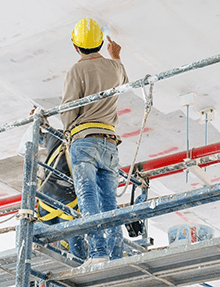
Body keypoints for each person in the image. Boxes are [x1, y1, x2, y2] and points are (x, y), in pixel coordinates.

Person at [60, 17, 128, 266]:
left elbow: (68, 110)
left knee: (87, 195)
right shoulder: (114, 67)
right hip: (110, 141)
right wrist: (116, 56)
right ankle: (116, 255)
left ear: (75, 46)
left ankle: (98, 253)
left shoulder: (76, 70)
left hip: (84, 139)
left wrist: (69, 134)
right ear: (100, 43)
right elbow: (123, 82)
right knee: (110, 201)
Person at [35, 129, 87, 261]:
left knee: (42, 237)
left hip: (47, 197)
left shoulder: (54, 137)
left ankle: (40, 260)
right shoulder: (80, 143)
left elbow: (40, 138)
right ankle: (79, 261)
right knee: (72, 232)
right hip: (65, 197)